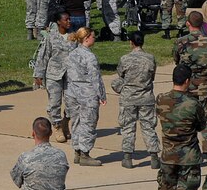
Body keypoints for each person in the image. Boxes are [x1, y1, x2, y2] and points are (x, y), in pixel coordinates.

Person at [155, 64, 205, 190]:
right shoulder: (193, 104)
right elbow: (201, 126)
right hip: (188, 159)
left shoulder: (161, 99)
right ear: (187, 81)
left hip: (168, 157)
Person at [113, 31, 160, 169]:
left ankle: (127, 157)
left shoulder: (125, 59)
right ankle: (154, 157)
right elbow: (152, 77)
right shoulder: (150, 58)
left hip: (129, 98)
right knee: (148, 127)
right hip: (146, 98)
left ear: (131, 43)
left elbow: (120, 74)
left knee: (128, 127)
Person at [65, 27, 106, 166]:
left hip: (72, 92)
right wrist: (101, 95)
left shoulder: (72, 54)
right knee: (88, 123)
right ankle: (85, 153)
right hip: (87, 93)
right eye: (93, 37)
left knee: (76, 122)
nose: (94, 39)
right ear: (87, 38)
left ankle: (77, 151)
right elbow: (95, 78)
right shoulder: (90, 56)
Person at [172, 11, 207, 154]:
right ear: (202, 24)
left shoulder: (181, 42)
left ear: (188, 23)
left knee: (187, 122)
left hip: (187, 89)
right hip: (206, 89)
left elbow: (177, 63)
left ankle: (189, 152)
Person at [10, 117, 69, 190]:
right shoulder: (61, 156)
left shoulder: (25, 158)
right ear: (51, 133)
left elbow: (17, 181)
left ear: (33, 133)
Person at [33, 13, 74, 143]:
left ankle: (65, 122)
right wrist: (38, 74)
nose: (69, 21)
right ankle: (57, 127)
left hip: (70, 76)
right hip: (53, 75)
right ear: (58, 22)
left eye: (69, 19)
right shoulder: (51, 37)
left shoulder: (74, 37)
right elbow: (43, 56)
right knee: (55, 102)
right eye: (65, 19)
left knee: (71, 103)